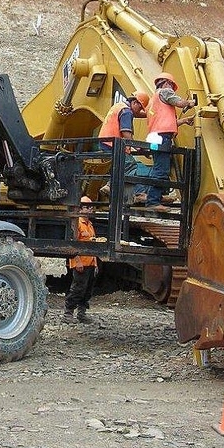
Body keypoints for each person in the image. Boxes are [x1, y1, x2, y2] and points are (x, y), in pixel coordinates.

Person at [145, 71, 194, 209]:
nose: (172, 89)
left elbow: (166, 123)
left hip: (156, 137)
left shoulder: (153, 101)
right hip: (162, 137)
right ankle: (153, 201)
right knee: (161, 170)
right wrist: (189, 102)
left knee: (159, 167)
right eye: (172, 86)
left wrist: (183, 121)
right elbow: (178, 102)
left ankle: (157, 196)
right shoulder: (165, 92)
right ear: (167, 83)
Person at [98, 92, 149, 204]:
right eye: (140, 108)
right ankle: (138, 194)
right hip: (114, 144)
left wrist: (150, 114)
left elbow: (137, 114)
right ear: (135, 103)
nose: (139, 111)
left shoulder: (119, 106)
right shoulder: (127, 112)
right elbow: (126, 134)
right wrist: (140, 148)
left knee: (118, 166)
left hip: (106, 142)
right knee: (130, 165)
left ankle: (110, 186)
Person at [63, 196, 98, 324]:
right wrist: (76, 260)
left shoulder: (90, 225)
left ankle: (82, 313)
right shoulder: (77, 223)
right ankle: (68, 313)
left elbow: (92, 244)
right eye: (88, 207)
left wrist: (95, 264)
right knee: (78, 289)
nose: (91, 209)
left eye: (91, 207)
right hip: (81, 262)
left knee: (88, 290)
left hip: (90, 263)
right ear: (81, 208)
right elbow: (72, 244)